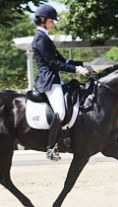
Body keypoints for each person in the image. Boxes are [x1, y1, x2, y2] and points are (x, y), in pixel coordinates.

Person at [32, 4, 89, 161]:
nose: (53, 23)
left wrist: (82, 64)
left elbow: (62, 60)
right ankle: (50, 148)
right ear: (43, 20)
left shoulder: (45, 38)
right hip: (49, 80)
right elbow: (52, 63)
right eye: (51, 21)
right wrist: (75, 70)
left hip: (55, 79)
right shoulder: (40, 39)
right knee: (61, 112)